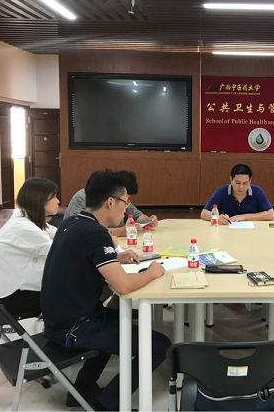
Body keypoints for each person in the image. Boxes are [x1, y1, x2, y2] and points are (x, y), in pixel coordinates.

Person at [41, 170, 171, 410]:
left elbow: (85, 255)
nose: (126, 210)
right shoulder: (96, 233)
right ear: (111, 202)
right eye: (125, 202)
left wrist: (117, 257)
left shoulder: (72, 222)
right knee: (159, 345)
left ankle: (82, 389)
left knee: (116, 321)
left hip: (62, 319)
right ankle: (107, 405)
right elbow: (123, 285)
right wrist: (152, 272)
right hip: (75, 328)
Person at [0, 177, 59, 317]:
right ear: (40, 200)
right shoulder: (23, 227)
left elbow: (58, 234)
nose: (58, 201)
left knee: (67, 279)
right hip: (8, 298)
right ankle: (67, 327)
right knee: (71, 288)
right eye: (53, 197)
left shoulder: (27, 219)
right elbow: (59, 252)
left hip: (10, 287)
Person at [64, 170, 157, 236]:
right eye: (125, 200)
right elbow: (81, 231)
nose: (125, 208)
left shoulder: (119, 199)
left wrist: (148, 221)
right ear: (110, 202)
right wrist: (121, 231)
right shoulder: (84, 197)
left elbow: (137, 216)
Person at [201, 164, 274, 224]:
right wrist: (217, 217)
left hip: (251, 233)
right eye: (237, 183)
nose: (241, 187)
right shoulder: (221, 191)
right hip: (226, 231)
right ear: (231, 179)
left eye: (245, 183)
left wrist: (244, 217)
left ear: (250, 181)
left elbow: (271, 215)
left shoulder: (257, 191)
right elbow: (204, 213)